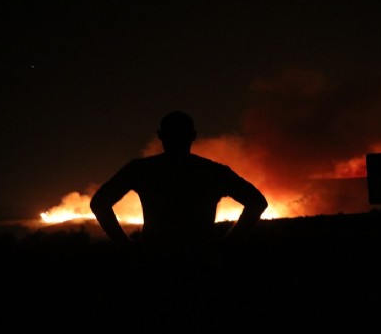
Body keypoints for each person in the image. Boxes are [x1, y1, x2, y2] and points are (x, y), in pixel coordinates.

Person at [89, 110, 268, 257]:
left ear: (160, 136)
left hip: (155, 257)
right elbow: (257, 202)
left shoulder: (141, 169)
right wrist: (228, 243)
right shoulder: (213, 171)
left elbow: (99, 203)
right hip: (201, 257)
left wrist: (126, 246)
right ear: (193, 136)